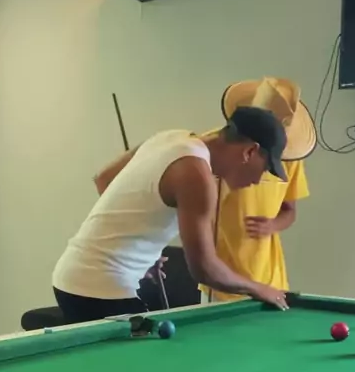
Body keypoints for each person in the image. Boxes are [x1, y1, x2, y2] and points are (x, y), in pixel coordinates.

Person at [52, 106, 290, 324]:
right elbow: (205, 269)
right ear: (250, 151)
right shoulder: (196, 174)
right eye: (265, 168)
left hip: (72, 277)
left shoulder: (172, 137)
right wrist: (258, 288)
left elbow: (104, 179)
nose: (258, 180)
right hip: (101, 289)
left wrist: (140, 249)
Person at [200, 77, 317, 303]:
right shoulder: (213, 148)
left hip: (270, 280)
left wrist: (272, 225)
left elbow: (289, 210)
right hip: (220, 282)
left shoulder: (291, 158)